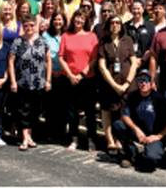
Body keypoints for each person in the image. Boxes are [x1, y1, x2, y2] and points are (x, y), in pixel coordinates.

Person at [113, 71, 166, 172]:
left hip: (154, 137)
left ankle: (152, 153)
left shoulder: (159, 99)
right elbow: (125, 115)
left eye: (146, 81)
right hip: (139, 134)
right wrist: (136, 129)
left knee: (151, 160)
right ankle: (131, 154)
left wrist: (159, 136)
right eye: (140, 80)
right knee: (117, 125)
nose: (143, 83)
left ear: (151, 83)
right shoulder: (132, 96)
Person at [9, 16, 52, 151]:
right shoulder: (18, 42)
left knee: (35, 110)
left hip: (39, 82)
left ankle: (29, 136)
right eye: (26, 25)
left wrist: (48, 79)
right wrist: (13, 81)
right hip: (22, 81)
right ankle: (25, 137)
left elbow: (48, 61)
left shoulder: (43, 42)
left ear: (36, 26)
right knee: (23, 111)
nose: (29, 28)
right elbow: (11, 61)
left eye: (32, 25)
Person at [58, 10, 99, 151]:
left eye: (82, 19)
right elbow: (61, 57)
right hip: (70, 79)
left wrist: (82, 74)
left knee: (90, 112)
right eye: (77, 18)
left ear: (85, 21)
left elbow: (94, 58)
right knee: (72, 111)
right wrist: (70, 75)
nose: (79, 21)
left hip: (87, 79)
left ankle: (91, 139)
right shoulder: (66, 36)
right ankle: (74, 139)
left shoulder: (92, 36)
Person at [98, 15, 137, 153]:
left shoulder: (128, 40)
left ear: (121, 25)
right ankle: (110, 140)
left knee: (123, 112)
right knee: (107, 111)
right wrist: (114, 85)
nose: (115, 25)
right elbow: (102, 65)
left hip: (127, 85)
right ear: (108, 25)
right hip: (109, 84)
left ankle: (121, 139)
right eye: (112, 22)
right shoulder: (104, 42)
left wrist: (126, 83)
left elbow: (134, 63)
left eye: (118, 22)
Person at [42, 11, 67, 144]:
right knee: (50, 106)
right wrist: (51, 71)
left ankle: (61, 133)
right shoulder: (45, 36)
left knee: (62, 106)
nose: (58, 22)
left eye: (60, 20)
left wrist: (62, 70)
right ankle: (49, 132)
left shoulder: (67, 35)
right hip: (50, 74)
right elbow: (44, 56)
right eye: (56, 20)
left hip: (64, 74)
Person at [125, 0, 155, 68]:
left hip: (145, 63)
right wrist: (133, 60)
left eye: (138, 9)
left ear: (143, 9)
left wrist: (142, 60)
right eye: (134, 9)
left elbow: (152, 46)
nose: (136, 11)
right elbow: (124, 45)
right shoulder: (125, 26)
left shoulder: (150, 26)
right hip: (128, 63)